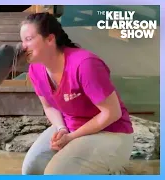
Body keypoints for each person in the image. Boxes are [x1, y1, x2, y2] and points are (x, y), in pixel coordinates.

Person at [19, 12, 134, 175]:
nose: (23, 47)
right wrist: (61, 129)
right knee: (32, 169)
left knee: (56, 173)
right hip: (71, 128)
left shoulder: (85, 64)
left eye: (29, 39)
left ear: (50, 39)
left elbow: (112, 112)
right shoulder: (35, 69)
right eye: (22, 41)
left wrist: (71, 138)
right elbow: (49, 107)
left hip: (111, 133)